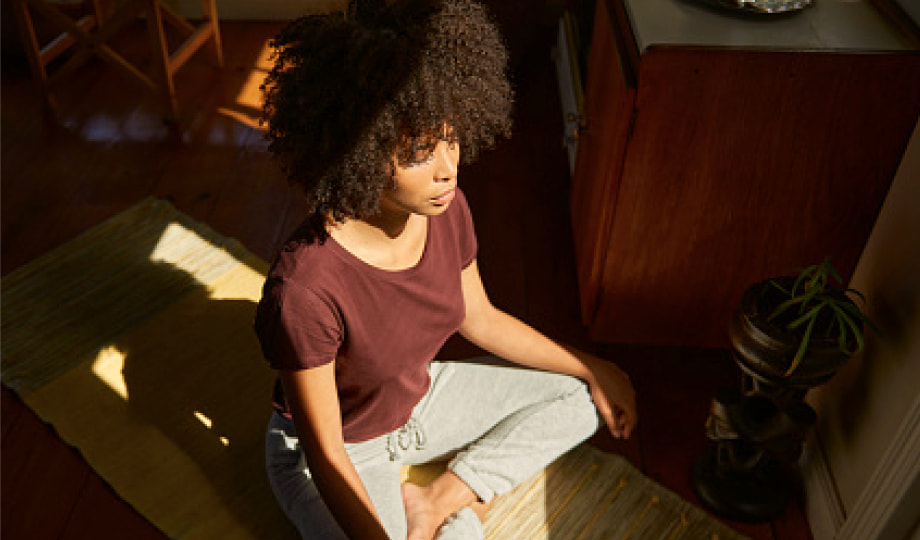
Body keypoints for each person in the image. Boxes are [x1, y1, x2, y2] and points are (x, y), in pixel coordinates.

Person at [254, 1, 637, 539]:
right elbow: (326, 453)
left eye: (451, 138)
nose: (448, 169)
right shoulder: (305, 288)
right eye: (418, 154)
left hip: (416, 403)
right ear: (354, 149)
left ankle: (437, 500)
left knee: (579, 398)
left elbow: (478, 318)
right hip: (344, 448)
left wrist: (592, 367)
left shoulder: (444, 206)